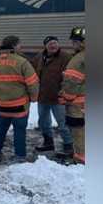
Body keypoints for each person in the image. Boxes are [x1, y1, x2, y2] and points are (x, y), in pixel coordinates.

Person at [0, 36, 40, 163]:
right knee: (19, 131)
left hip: (2, 104)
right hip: (19, 105)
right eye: (19, 45)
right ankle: (19, 156)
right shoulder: (22, 62)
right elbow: (33, 83)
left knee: (1, 128)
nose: (20, 47)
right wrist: (33, 98)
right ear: (14, 46)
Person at [33, 35, 75, 157]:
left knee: (63, 123)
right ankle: (48, 143)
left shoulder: (66, 57)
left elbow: (71, 77)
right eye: (50, 43)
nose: (53, 45)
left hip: (59, 97)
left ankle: (69, 146)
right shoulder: (39, 56)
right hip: (43, 96)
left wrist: (65, 92)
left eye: (55, 43)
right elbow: (32, 71)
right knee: (44, 122)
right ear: (45, 46)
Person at [59, 26, 86, 164]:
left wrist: (66, 96)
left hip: (79, 105)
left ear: (81, 42)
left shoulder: (78, 59)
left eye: (74, 42)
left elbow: (71, 81)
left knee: (78, 131)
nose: (73, 44)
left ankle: (81, 158)